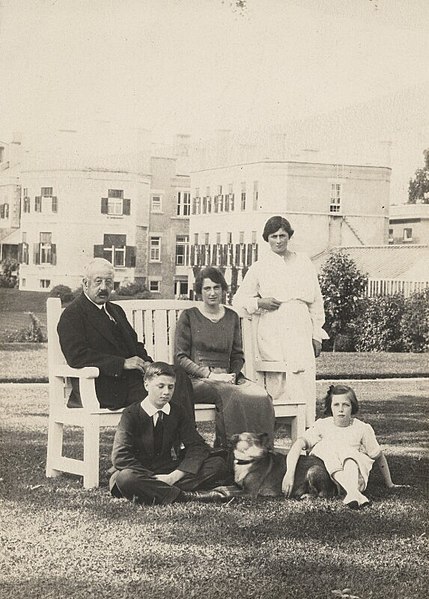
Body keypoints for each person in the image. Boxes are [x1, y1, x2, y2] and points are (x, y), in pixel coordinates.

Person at [57, 258, 193, 414]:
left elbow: (134, 345)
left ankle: (185, 434)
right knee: (160, 393)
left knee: (177, 375)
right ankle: (180, 436)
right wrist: (122, 363)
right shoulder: (73, 314)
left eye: (108, 282)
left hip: (130, 381)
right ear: (85, 284)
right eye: (98, 281)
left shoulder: (115, 310)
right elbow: (77, 356)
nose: (103, 288)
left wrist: (148, 363)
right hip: (102, 385)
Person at [233, 215, 328, 426]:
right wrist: (260, 303)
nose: (278, 240)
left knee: (303, 375)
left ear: (289, 236)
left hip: (300, 326)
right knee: (278, 380)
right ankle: (271, 429)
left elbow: (316, 301)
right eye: (274, 236)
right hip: (273, 330)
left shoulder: (304, 262)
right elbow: (238, 300)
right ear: (267, 239)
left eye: (282, 236)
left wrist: (316, 334)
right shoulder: (260, 267)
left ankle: (304, 431)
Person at [175, 266, 275, 449]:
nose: (212, 293)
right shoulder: (189, 316)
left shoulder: (231, 317)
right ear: (199, 291)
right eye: (207, 288)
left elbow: (237, 355)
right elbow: (180, 358)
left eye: (216, 288)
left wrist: (233, 375)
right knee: (231, 394)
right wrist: (211, 375)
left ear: (223, 289)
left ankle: (261, 453)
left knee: (262, 396)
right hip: (198, 379)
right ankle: (227, 451)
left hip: (228, 378)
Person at [109, 362, 232, 504]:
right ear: (146, 385)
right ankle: (186, 496)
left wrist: (173, 477)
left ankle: (154, 491)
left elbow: (197, 446)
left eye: (171, 387)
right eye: (160, 386)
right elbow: (120, 456)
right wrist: (153, 477)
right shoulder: (131, 414)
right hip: (139, 471)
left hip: (167, 469)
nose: (166, 392)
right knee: (125, 478)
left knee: (217, 464)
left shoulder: (177, 411)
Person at [282, 384, 400, 509]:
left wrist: (390, 483)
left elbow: (378, 455)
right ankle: (354, 495)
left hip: (355, 477)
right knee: (326, 449)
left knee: (349, 455)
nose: (341, 409)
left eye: (346, 405)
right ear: (330, 407)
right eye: (336, 405)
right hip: (331, 478)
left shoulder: (362, 428)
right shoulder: (323, 425)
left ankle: (353, 492)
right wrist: (289, 473)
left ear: (352, 407)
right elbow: (298, 444)